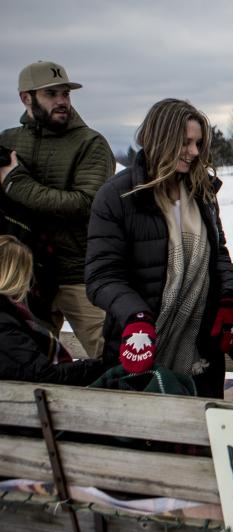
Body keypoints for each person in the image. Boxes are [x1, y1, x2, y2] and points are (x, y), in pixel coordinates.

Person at [85, 99, 233, 398]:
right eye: (185, 143)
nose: (194, 152)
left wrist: (229, 297)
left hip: (200, 350)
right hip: (140, 345)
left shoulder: (201, 192)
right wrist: (136, 317)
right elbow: (101, 275)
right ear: (160, 138)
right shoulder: (118, 196)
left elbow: (218, 252)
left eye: (198, 143)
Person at [0, 61, 115, 358]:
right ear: (26, 98)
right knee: (27, 363)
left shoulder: (90, 144)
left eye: (65, 93)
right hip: (24, 277)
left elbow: (85, 204)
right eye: (51, 94)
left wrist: (15, 183)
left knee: (114, 357)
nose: (62, 101)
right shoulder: (9, 141)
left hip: (78, 275)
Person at [0, 235, 104, 384]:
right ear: (16, 275)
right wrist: (100, 367)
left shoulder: (11, 316)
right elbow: (45, 374)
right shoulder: (5, 321)